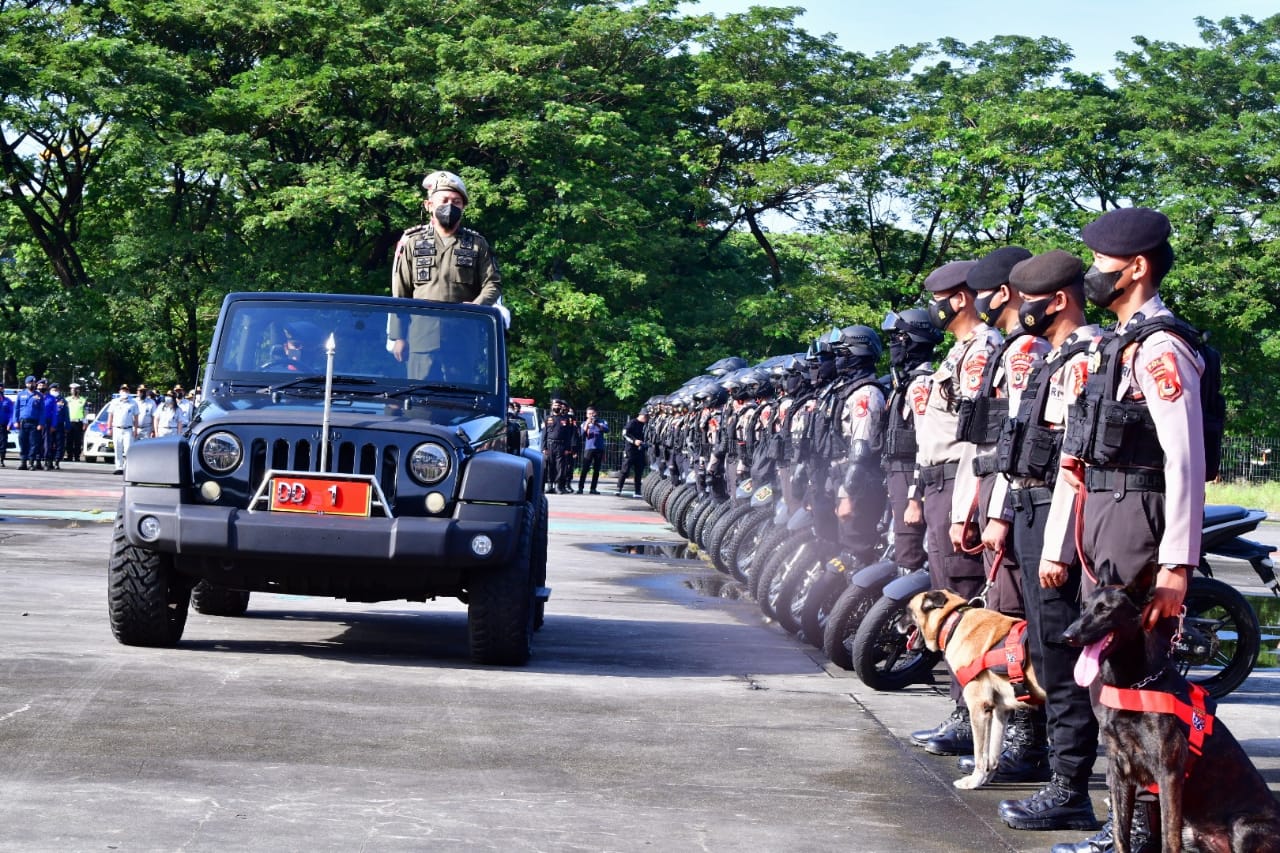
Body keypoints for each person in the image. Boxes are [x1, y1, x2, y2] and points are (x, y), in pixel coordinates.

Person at [1048, 208, 1204, 853]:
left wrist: (1175, 565)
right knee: (1106, 676)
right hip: (1105, 518)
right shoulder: (1117, 345)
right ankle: (1128, 827)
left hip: (1140, 523)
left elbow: (1184, 459)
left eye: (1100, 265)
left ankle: (1135, 831)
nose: (1090, 277)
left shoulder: (1161, 347)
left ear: (1134, 268)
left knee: (1140, 674)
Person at [993, 249, 1106, 836]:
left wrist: (1058, 547)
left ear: (1056, 301)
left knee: (1063, 654)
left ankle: (1070, 789)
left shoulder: (1084, 361)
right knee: (1044, 645)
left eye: (1028, 300)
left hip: (1060, 515)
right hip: (1031, 505)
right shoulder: (1056, 358)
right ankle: (1061, 778)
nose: (1019, 310)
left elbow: (1074, 464)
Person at [905, 259, 1001, 758]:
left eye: (938, 300)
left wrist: (966, 504)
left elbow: (973, 441)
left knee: (961, 601)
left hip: (961, 483)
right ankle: (963, 709)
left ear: (959, 299)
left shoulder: (982, 351)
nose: (934, 309)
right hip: (941, 482)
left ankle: (970, 713)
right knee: (950, 593)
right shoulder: (960, 352)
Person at [388, 170, 502, 380]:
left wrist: (477, 305)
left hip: (463, 337)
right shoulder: (413, 242)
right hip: (421, 337)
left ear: (463, 207)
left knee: (461, 399)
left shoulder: (477, 244)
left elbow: (492, 283)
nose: (450, 205)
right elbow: (401, 292)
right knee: (420, 401)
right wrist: (399, 336)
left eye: (456, 201)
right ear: (429, 205)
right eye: (445, 200)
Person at [105, 385, 140, 475]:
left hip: (128, 429)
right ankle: (119, 467)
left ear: (128, 392)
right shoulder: (114, 402)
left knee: (128, 449)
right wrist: (109, 428)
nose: (124, 392)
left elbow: (136, 417)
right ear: (120, 391)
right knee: (117, 448)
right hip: (117, 428)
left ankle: (126, 467)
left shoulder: (133, 403)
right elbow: (110, 416)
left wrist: (136, 429)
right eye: (123, 390)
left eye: (126, 390)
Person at [576, 406, 609, 494]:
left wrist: (596, 424)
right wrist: (587, 424)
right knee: (585, 469)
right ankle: (580, 488)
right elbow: (581, 434)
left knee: (596, 470)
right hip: (589, 448)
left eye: (592, 413)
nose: (591, 415)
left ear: (596, 413)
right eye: (589, 414)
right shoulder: (584, 423)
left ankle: (593, 488)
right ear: (586, 415)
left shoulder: (602, 421)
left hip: (599, 448)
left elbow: (606, 430)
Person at [616, 409, 648, 496]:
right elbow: (625, 433)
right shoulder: (633, 422)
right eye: (645, 416)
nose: (646, 418)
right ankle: (619, 488)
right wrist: (634, 441)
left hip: (640, 451)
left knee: (639, 471)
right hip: (630, 450)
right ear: (641, 415)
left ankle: (637, 491)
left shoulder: (646, 425)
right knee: (625, 470)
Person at [14, 375, 43, 471]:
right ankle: (23, 463)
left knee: (33, 444)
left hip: (34, 423)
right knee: (23, 443)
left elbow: (42, 411)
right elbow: (16, 409)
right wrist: (15, 421)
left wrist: (41, 423)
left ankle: (31, 463)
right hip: (23, 423)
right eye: (29, 383)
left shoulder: (39, 396)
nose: (31, 384)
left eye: (33, 383)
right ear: (26, 384)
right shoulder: (21, 394)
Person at [42, 382, 69, 470]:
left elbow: (66, 414)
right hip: (49, 425)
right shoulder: (47, 398)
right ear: (50, 390)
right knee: (48, 444)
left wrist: (67, 425)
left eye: (57, 390)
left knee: (59, 444)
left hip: (59, 425)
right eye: (54, 390)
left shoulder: (63, 400)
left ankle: (57, 461)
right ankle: (49, 461)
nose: (55, 391)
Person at [65, 382, 87, 462]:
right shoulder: (67, 400)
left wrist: (85, 423)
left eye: (75, 389)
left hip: (78, 422)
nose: (73, 390)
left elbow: (85, 412)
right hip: (69, 422)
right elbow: (64, 412)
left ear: (78, 390)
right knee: (69, 440)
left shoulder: (83, 400)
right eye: (72, 389)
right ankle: (69, 456)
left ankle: (77, 456)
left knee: (77, 440)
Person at [0, 383, 12, 467]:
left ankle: (1, 460)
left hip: (3, 425)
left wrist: (10, 424)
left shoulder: (7, 400)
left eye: (1, 387)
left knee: (3, 444)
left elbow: (12, 413)